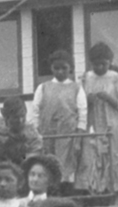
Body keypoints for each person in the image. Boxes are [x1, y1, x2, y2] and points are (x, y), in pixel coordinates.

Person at [31, 50, 86, 195]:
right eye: (57, 68)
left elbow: (82, 114)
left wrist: (78, 138)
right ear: (51, 68)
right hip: (47, 135)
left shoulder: (76, 88)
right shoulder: (43, 88)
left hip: (68, 135)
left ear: (70, 68)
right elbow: (35, 111)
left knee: (67, 168)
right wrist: (37, 133)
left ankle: (66, 195)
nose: (60, 71)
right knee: (49, 165)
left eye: (64, 68)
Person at [80, 42, 118, 194]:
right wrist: (87, 100)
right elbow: (78, 103)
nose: (100, 68)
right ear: (91, 63)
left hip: (112, 123)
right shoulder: (86, 78)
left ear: (110, 62)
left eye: (104, 64)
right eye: (96, 64)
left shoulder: (116, 78)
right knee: (92, 155)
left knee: (114, 156)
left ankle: (115, 191)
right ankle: (95, 192)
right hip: (93, 123)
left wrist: (110, 99)